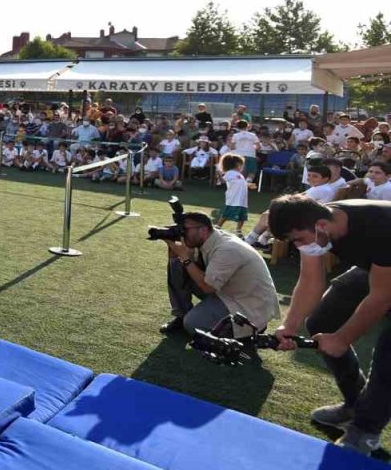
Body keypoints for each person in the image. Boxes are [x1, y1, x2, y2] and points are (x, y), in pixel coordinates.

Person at [269, 196, 391, 455]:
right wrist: (289, 325)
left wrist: (342, 339)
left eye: (299, 240)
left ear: (322, 226)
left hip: (386, 272)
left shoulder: (381, 226)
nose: (299, 246)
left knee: (388, 354)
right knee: (321, 321)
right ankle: (355, 402)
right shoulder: (315, 223)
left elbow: (381, 298)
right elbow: (311, 280)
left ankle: (365, 431)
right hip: (380, 268)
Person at [159, 212, 279, 337]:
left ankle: (249, 329)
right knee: (177, 266)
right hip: (230, 291)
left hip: (248, 304)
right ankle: (181, 315)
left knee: (192, 323)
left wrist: (184, 256)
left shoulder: (227, 249)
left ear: (203, 230)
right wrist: (174, 250)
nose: (182, 233)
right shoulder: (210, 238)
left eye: (185, 230)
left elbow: (207, 287)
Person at [217, 153, 253, 235]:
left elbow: (240, 183)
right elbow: (223, 181)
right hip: (233, 198)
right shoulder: (230, 173)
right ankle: (218, 226)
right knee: (226, 214)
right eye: (241, 165)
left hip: (242, 200)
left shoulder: (240, 175)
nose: (242, 167)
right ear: (237, 164)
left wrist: (248, 185)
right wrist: (219, 175)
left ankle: (238, 230)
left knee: (242, 216)